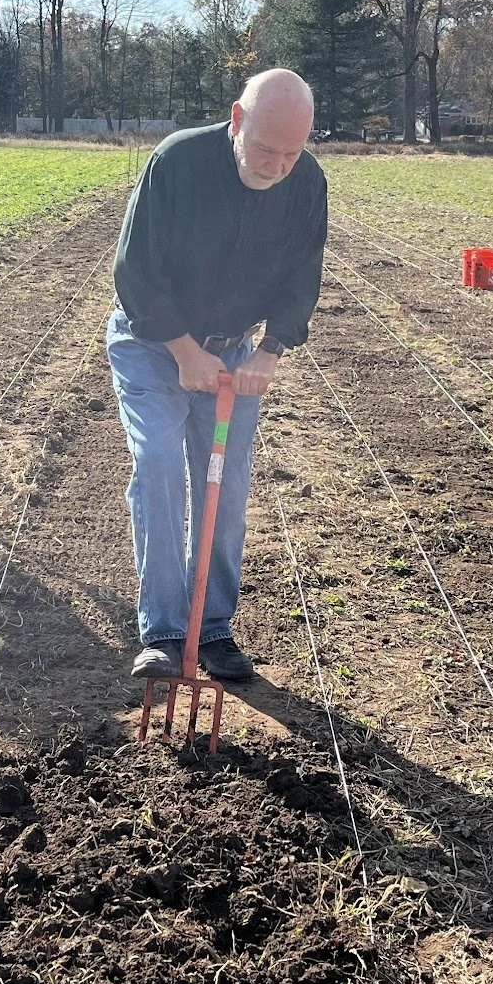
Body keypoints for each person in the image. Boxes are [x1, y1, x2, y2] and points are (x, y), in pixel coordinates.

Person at [109, 69, 328, 682]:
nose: (278, 165)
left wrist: (271, 351)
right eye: (265, 149)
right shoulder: (177, 161)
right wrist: (182, 349)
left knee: (226, 487)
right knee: (157, 465)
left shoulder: (306, 183)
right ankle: (164, 630)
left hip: (233, 356)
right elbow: (135, 271)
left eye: (292, 152)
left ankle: (212, 628)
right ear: (236, 119)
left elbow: (302, 277)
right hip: (153, 344)